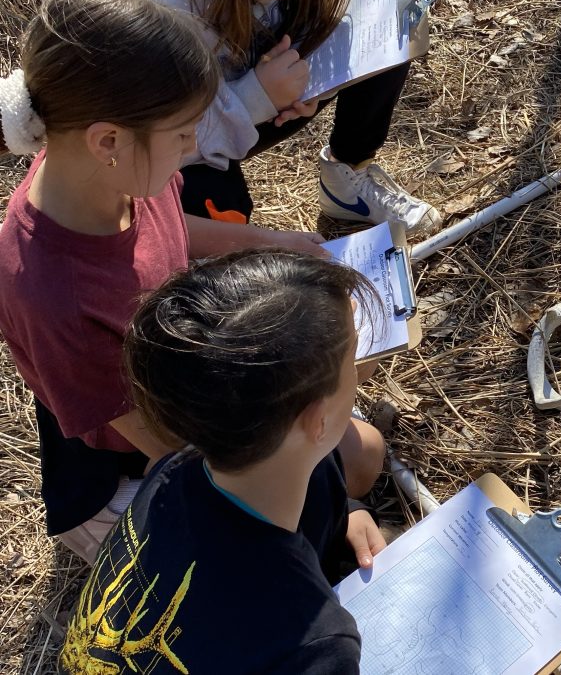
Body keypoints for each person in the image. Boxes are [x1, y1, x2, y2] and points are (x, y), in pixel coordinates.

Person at [0, 0, 384, 562]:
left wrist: (269, 243)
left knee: (361, 454)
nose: (192, 148)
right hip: (126, 468)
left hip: (185, 384)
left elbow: (170, 225)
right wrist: (322, 506)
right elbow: (172, 449)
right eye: (182, 136)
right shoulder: (53, 298)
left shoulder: (106, 173)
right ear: (109, 140)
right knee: (292, 535)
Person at [58, 249, 386, 673]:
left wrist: (345, 514)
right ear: (317, 419)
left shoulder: (169, 475)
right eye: (352, 360)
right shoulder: (314, 646)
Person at [106, 0, 442, 236]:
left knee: (390, 23)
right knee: (218, 210)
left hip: (249, 83)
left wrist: (308, 77)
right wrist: (258, 97)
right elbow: (154, 138)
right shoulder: (160, 0)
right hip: (174, 141)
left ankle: (348, 178)